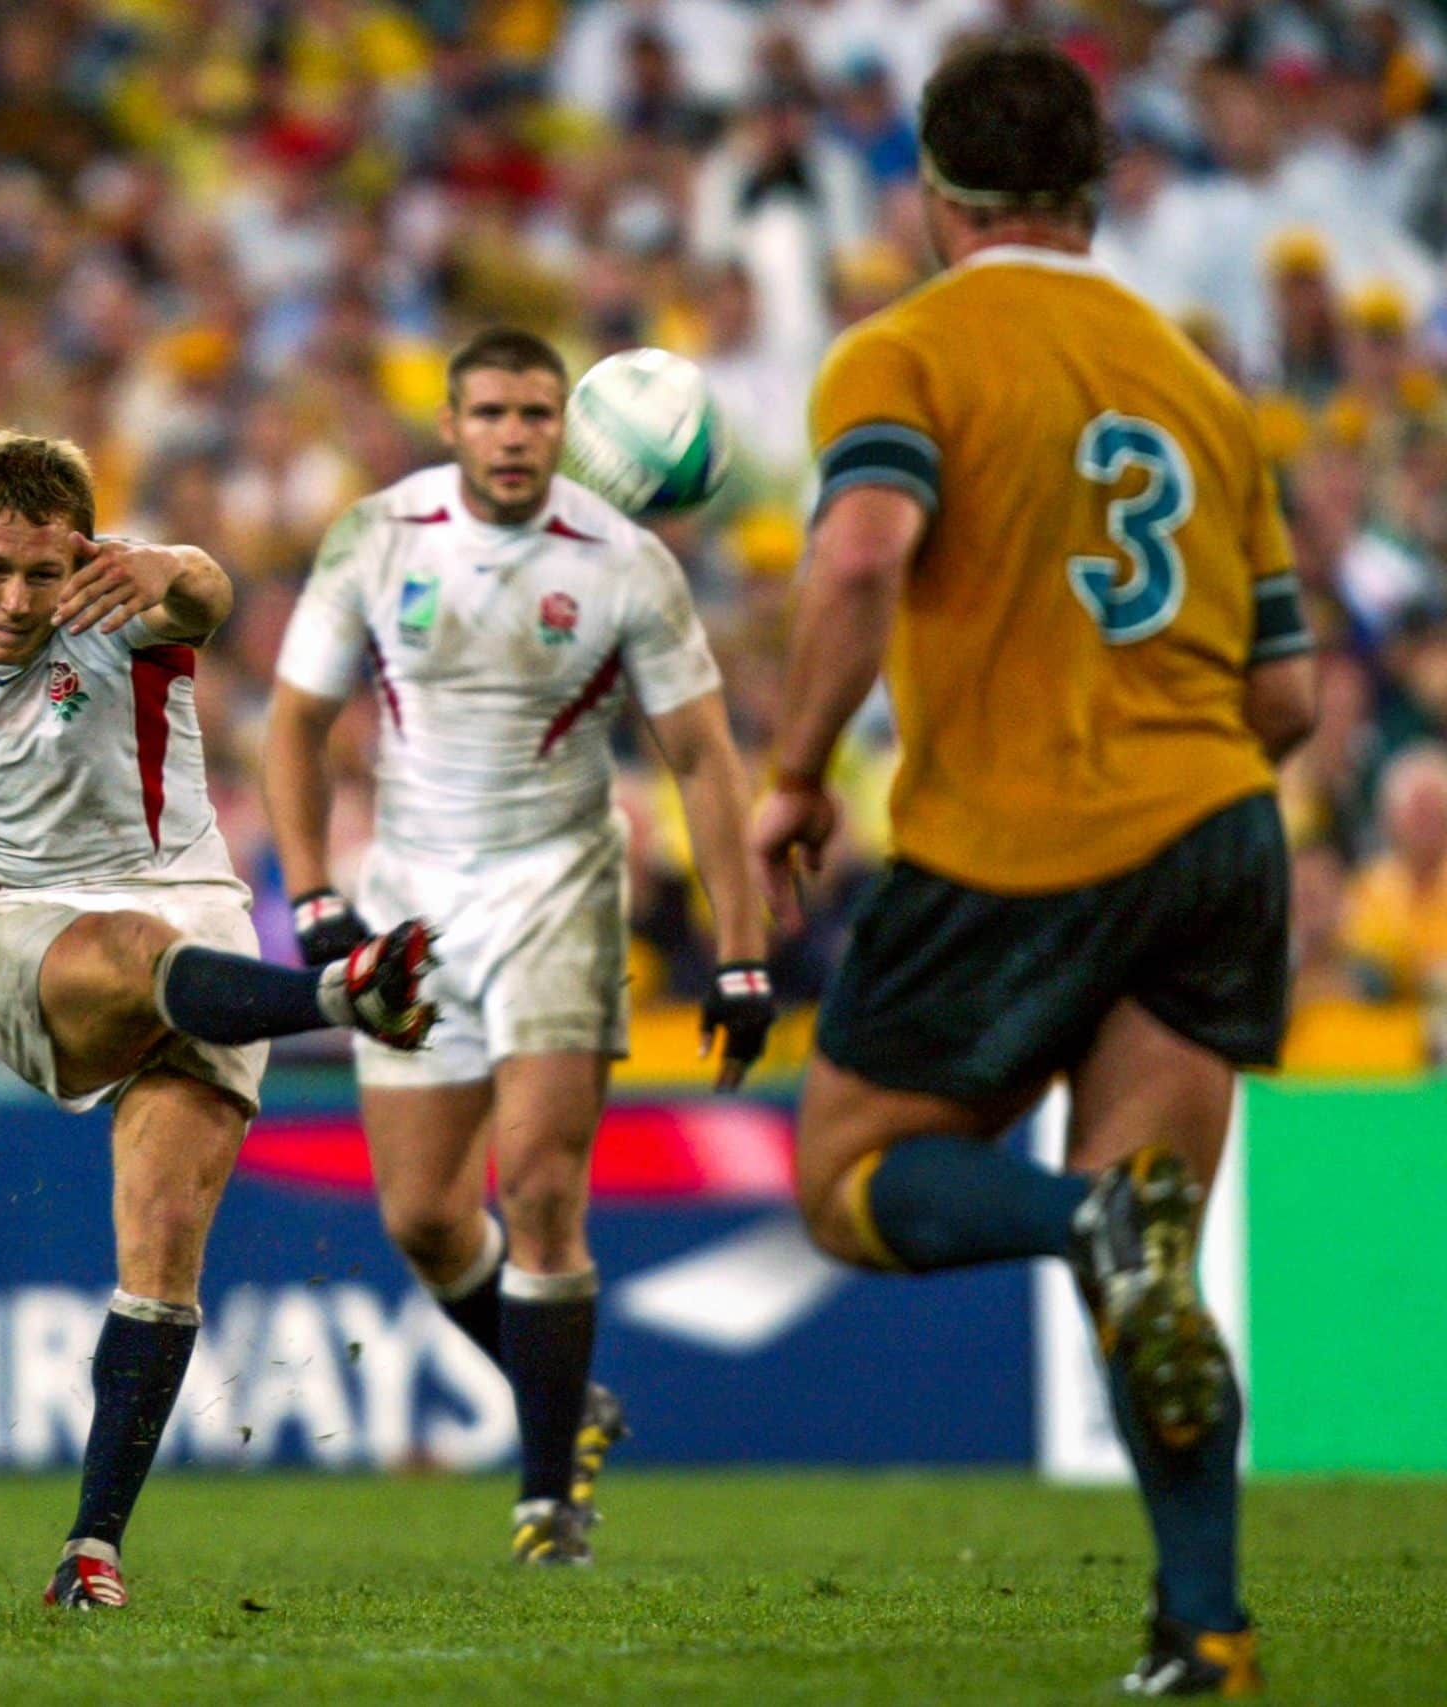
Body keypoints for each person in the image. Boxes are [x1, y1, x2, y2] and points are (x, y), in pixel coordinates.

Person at [748, 39, 1317, 1697]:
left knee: (849, 1179)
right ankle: (1204, 1623)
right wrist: (1178, 801)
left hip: (1016, 835)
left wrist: (794, 775)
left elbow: (861, 547)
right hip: (1218, 834)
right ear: (1090, 194)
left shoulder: (907, 350)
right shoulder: (1199, 385)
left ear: (936, 199)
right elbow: (1284, 694)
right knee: (1162, 1252)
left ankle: (1079, 1221)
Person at [0, 430, 437, 1611]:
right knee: (140, 955)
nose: (14, 599)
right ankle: (338, 1000)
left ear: (83, 560)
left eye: (43, 574)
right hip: (28, 941)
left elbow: (204, 586)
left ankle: (90, 1551)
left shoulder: (130, 605)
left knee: (160, 1252)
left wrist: (173, 567)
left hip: (191, 917)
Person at [262, 328, 774, 1567]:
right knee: (427, 1217)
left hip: (559, 893)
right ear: (450, 424)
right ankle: (568, 1402)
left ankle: (549, 1503)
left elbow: (702, 758)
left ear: (568, 431)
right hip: (409, 909)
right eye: (488, 412)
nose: (510, 434)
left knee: (542, 1187)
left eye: (535, 415)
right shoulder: (378, 538)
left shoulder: (625, 565)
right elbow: (293, 724)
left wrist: (742, 952)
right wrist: (318, 892)